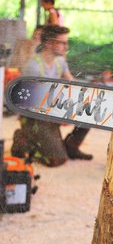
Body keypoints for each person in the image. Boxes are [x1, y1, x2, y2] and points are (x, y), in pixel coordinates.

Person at [10, 25, 93, 166]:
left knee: (90, 110)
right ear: (48, 43)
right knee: (56, 160)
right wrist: (59, 115)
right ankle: (23, 139)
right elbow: (32, 104)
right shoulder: (33, 67)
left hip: (50, 109)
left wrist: (85, 98)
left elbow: (71, 82)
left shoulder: (60, 61)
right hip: (33, 116)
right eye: (62, 42)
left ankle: (71, 146)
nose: (66, 47)